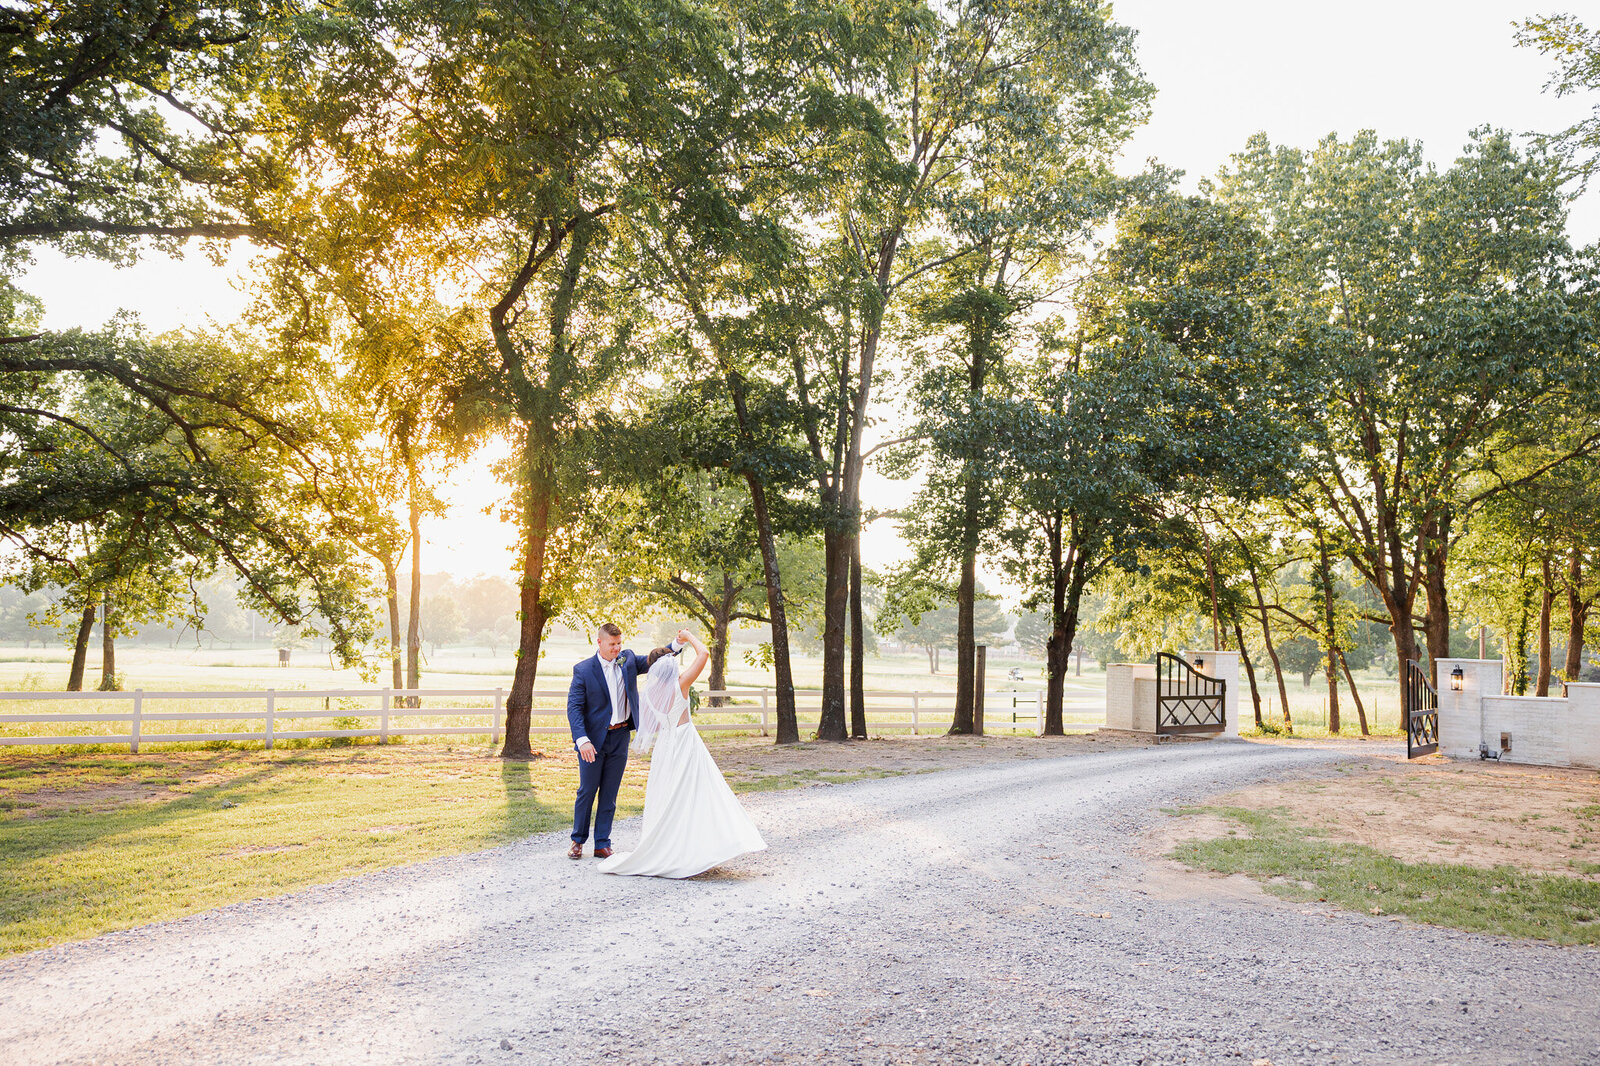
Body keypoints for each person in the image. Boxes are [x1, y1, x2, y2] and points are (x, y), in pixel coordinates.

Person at [598, 629, 766, 878]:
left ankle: (676, 848)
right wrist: (687, 636)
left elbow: (651, 724)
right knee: (698, 794)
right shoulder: (681, 685)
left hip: (665, 747)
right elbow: (705, 653)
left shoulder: (650, 695)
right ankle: (693, 850)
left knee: (669, 797)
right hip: (685, 742)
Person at [565, 623, 682, 860]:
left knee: (610, 792)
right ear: (599, 643)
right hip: (593, 741)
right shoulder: (583, 670)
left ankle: (602, 843)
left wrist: (678, 644)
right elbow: (574, 708)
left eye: (619, 643)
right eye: (612, 644)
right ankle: (578, 841)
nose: (617, 648)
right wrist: (582, 740)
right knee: (587, 791)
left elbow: (654, 659)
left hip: (620, 737)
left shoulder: (627, 660)